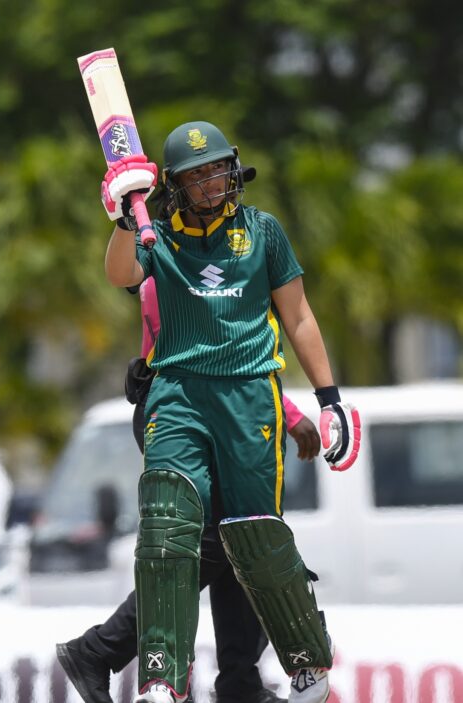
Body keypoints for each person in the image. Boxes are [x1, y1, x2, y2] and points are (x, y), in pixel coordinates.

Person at [101, 121, 361, 703]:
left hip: (250, 394)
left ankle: (307, 663)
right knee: (168, 528)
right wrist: (122, 217)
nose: (212, 182)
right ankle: (162, 677)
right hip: (178, 391)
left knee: (256, 534)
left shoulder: (262, 231)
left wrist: (329, 399)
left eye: (218, 169)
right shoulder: (156, 235)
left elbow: (298, 317)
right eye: (197, 175)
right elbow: (120, 274)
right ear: (175, 185)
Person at [57, 273, 322, 703]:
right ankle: (100, 649)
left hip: (211, 404)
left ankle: (240, 682)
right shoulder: (171, 253)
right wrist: (289, 413)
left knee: (242, 533)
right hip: (180, 408)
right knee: (216, 540)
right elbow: (212, 350)